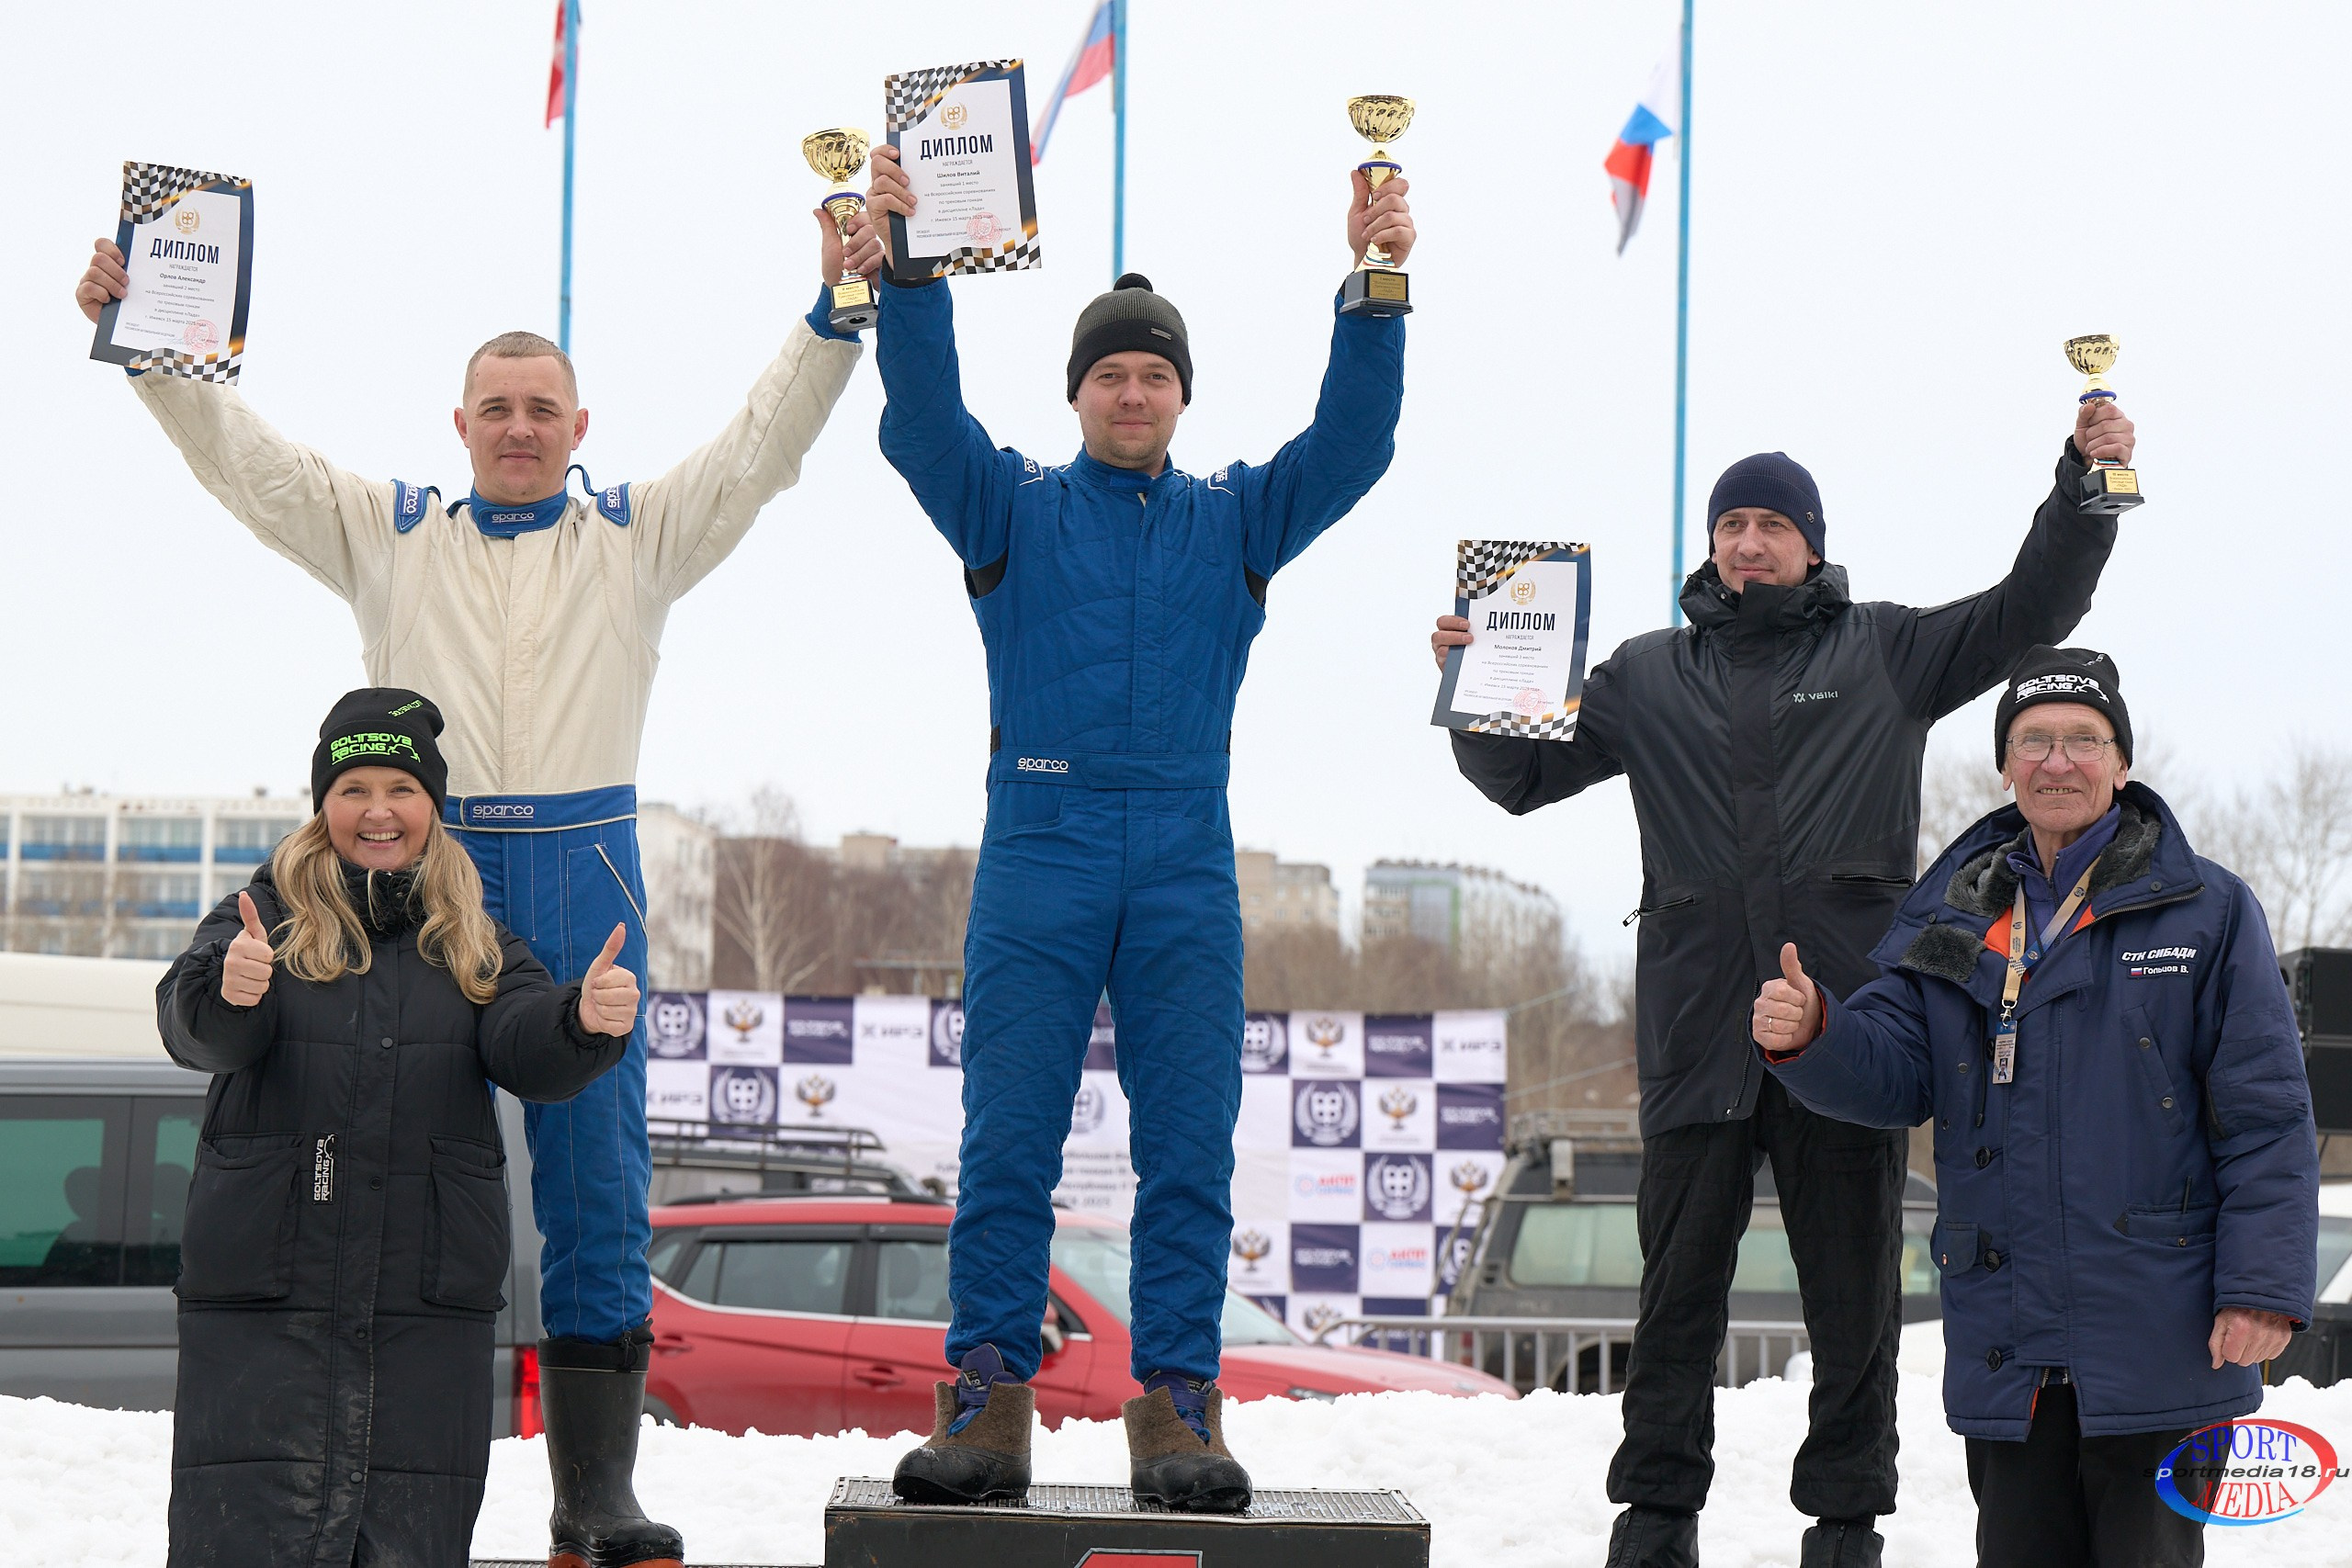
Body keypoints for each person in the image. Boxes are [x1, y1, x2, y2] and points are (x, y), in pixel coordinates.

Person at [78, 209, 874, 1567]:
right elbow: (248, 466)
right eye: (496, 407)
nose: (519, 427)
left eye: (541, 409)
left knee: (596, 1180)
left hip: (583, 872)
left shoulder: (637, 538)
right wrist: (149, 340)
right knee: (385, 1165)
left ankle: (594, 1492)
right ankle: (349, 1477)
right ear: (458, 423)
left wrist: (837, 312)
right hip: (416, 874)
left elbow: (760, 450)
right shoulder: (393, 534)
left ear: (580, 424)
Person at [1435, 414, 2133, 1566]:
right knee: (1675, 1306)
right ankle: (1655, 1523)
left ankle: (1845, 1528)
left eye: (1771, 524)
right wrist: (1478, 690)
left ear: (1812, 544)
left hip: (1848, 1039)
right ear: (1709, 546)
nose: (1748, 543)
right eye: (1730, 525)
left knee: (1852, 1306)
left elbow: (2030, 610)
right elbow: (1520, 780)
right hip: (1698, 1036)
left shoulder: (1885, 653)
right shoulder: (1645, 675)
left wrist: (2084, 486)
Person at [852, 141, 1410, 1512]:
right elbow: (922, 426)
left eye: (1155, 373)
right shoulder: (1014, 508)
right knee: (1009, 1143)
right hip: (1038, 845)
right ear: (1080, 392)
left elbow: (1356, 445)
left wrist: (1376, 282)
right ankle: (985, 1401)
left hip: (1180, 854)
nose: (1133, 391)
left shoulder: (1235, 519)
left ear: (1179, 394)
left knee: (1188, 1148)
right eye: (1111, 372)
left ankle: (1180, 1410)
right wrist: (912, 270)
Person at [1751, 648, 2318, 1568]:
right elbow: (1893, 1071)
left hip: (2159, 1333)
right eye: (2034, 740)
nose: (2058, 761)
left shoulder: (2206, 911)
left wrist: (2259, 1290)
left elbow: (2264, 1118)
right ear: (2005, 765)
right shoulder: (1955, 916)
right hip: (2009, 1339)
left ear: (2120, 763)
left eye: (2082, 740)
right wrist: (1812, 1031)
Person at [155, 689, 639, 1568]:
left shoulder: (475, 940)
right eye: (353, 788)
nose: (378, 809)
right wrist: (231, 989)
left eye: (401, 788)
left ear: (432, 806)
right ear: (322, 804)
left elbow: (526, 1042)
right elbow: (196, 1030)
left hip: (421, 1313)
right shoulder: (258, 919)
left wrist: (584, 1021)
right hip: (269, 1310)